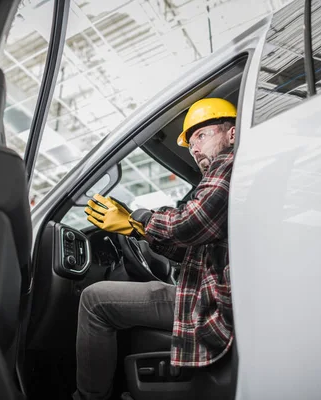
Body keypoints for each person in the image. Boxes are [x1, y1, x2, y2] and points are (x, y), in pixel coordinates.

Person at [73, 98, 237, 400]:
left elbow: (189, 223)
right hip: (209, 291)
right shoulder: (226, 175)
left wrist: (136, 221)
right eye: (190, 145)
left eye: (202, 135)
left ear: (232, 133)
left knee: (94, 300)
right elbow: (193, 250)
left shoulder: (228, 165)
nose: (195, 149)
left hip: (210, 301)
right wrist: (141, 232)